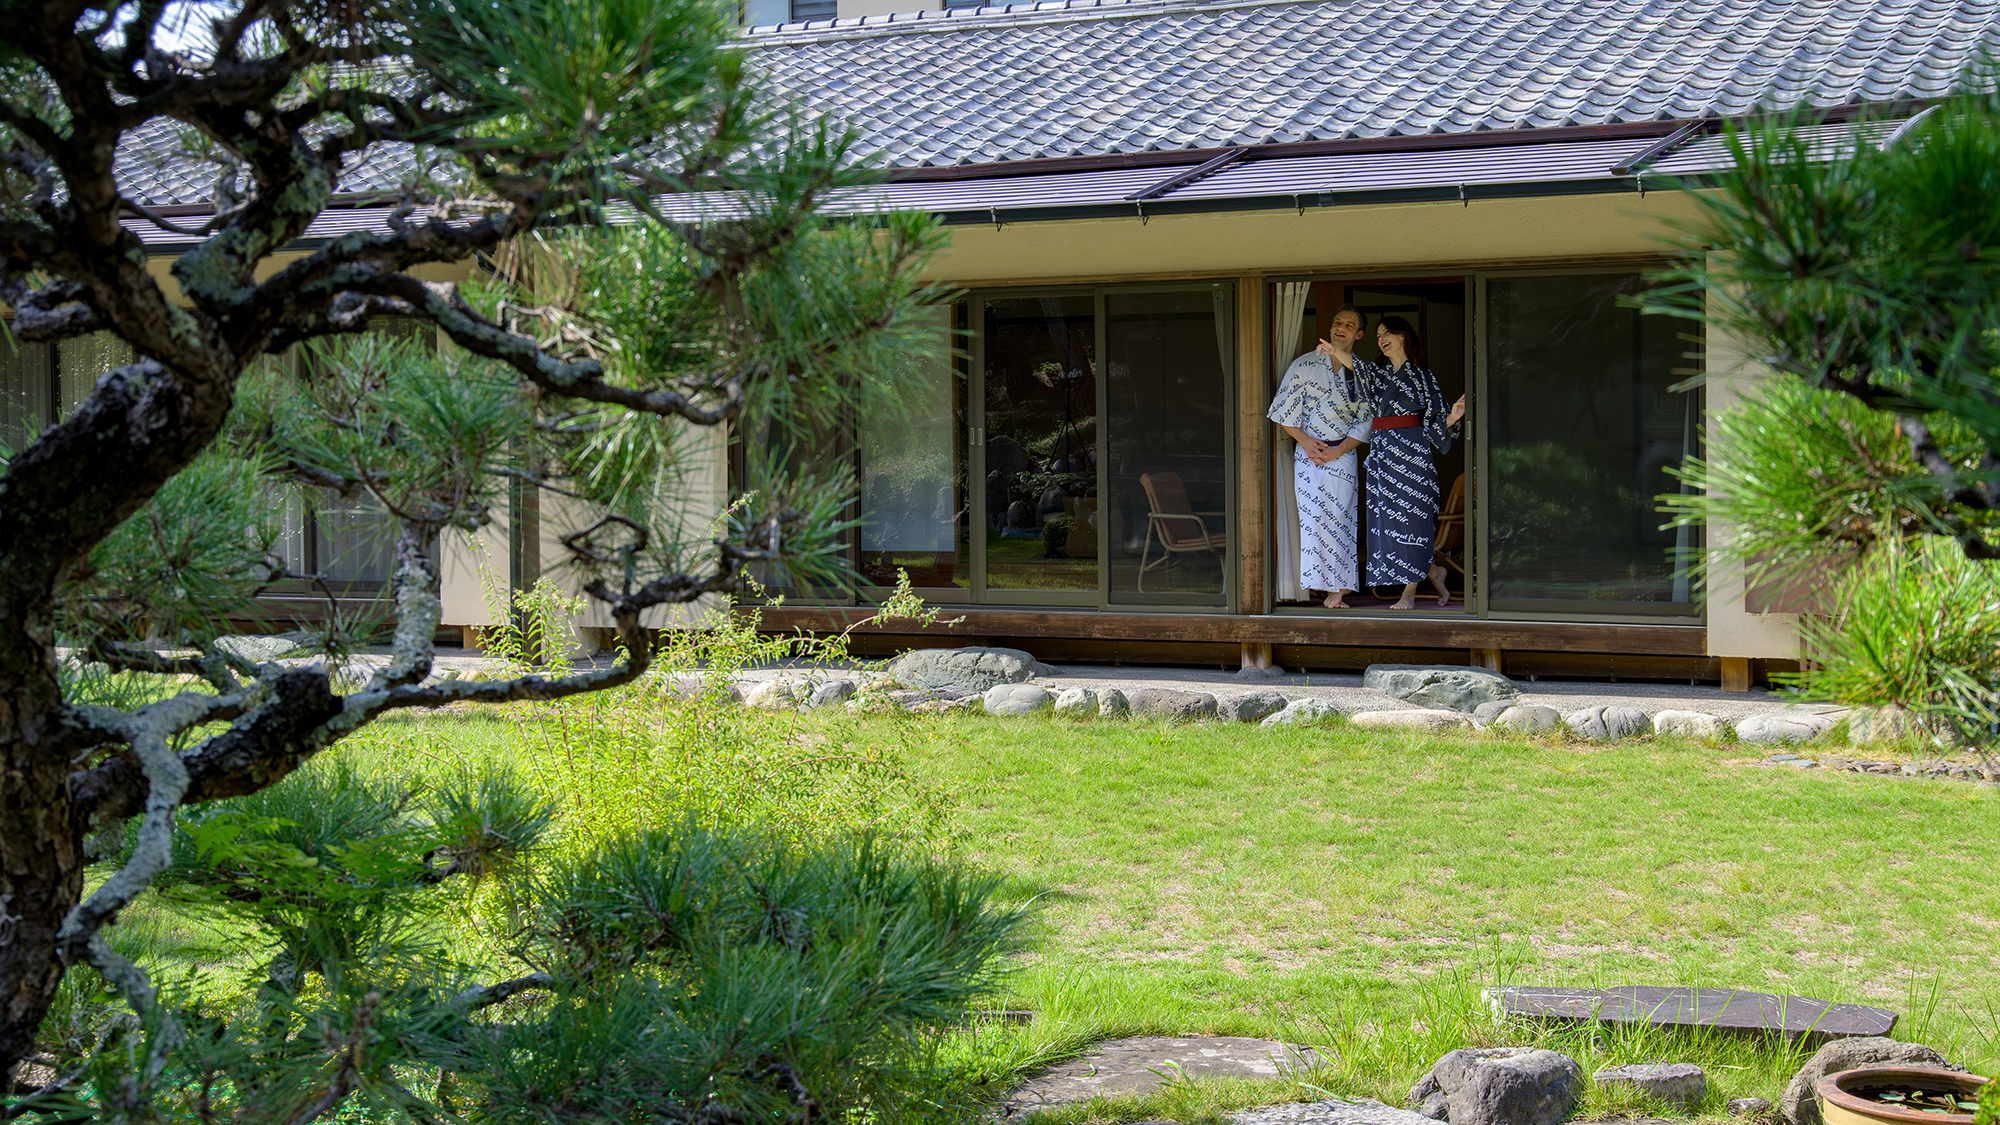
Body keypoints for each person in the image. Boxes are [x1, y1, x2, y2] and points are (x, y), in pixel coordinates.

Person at [1267, 304, 1373, 607]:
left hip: (1343, 452)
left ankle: (1338, 590)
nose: (1341, 328)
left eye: (1349, 325)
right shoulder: (1304, 365)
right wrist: (1306, 441)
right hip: (1309, 451)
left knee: (1342, 519)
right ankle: (1315, 586)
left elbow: (1367, 418)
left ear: (1359, 334)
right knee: (1313, 521)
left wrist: (1340, 448)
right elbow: (1283, 411)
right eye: (1337, 322)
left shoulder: (1361, 373)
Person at [1364, 315, 1466, 609]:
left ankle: (1408, 593)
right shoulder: (1376, 373)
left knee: (1414, 520)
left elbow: (1435, 426)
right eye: (1378, 335)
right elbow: (1352, 366)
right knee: (1387, 522)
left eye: (1387, 333)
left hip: (1413, 457)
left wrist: (1453, 417)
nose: (1381, 339)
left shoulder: (1423, 377)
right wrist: (1336, 351)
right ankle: (1436, 572)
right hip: (1383, 455)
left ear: (1403, 336)